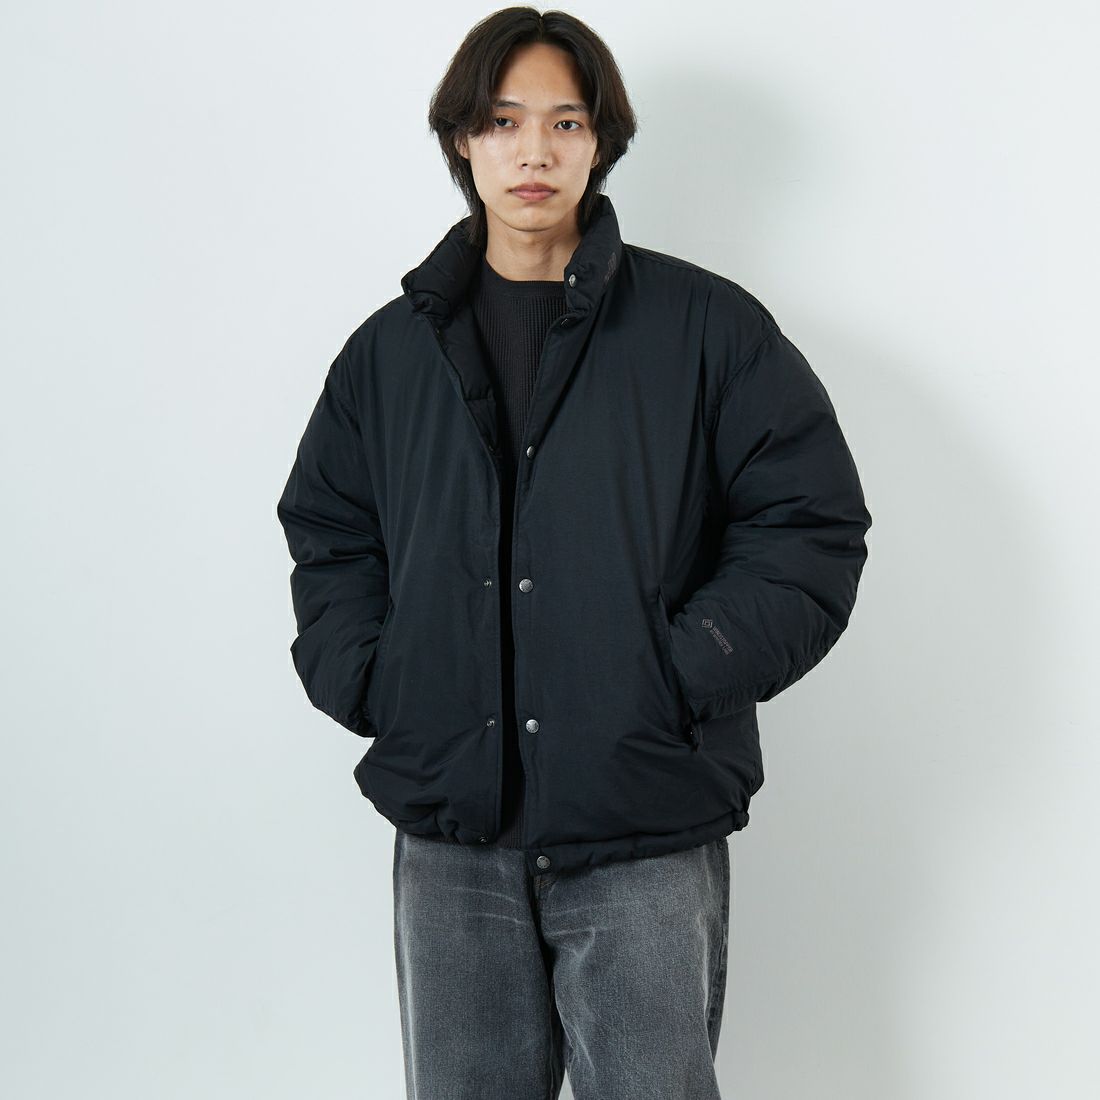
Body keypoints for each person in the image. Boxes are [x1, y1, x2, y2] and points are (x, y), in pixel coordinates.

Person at [276, 8, 872, 1098]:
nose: (534, 152)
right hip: (454, 837)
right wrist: (380, 678)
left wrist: (678, 668)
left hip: (640, 819)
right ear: (462, 140)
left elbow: (810, 524)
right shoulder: (387, 356)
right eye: (504, 122)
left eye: (564, 122)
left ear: (601, 142)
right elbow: (330, 533)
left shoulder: (707, 329)